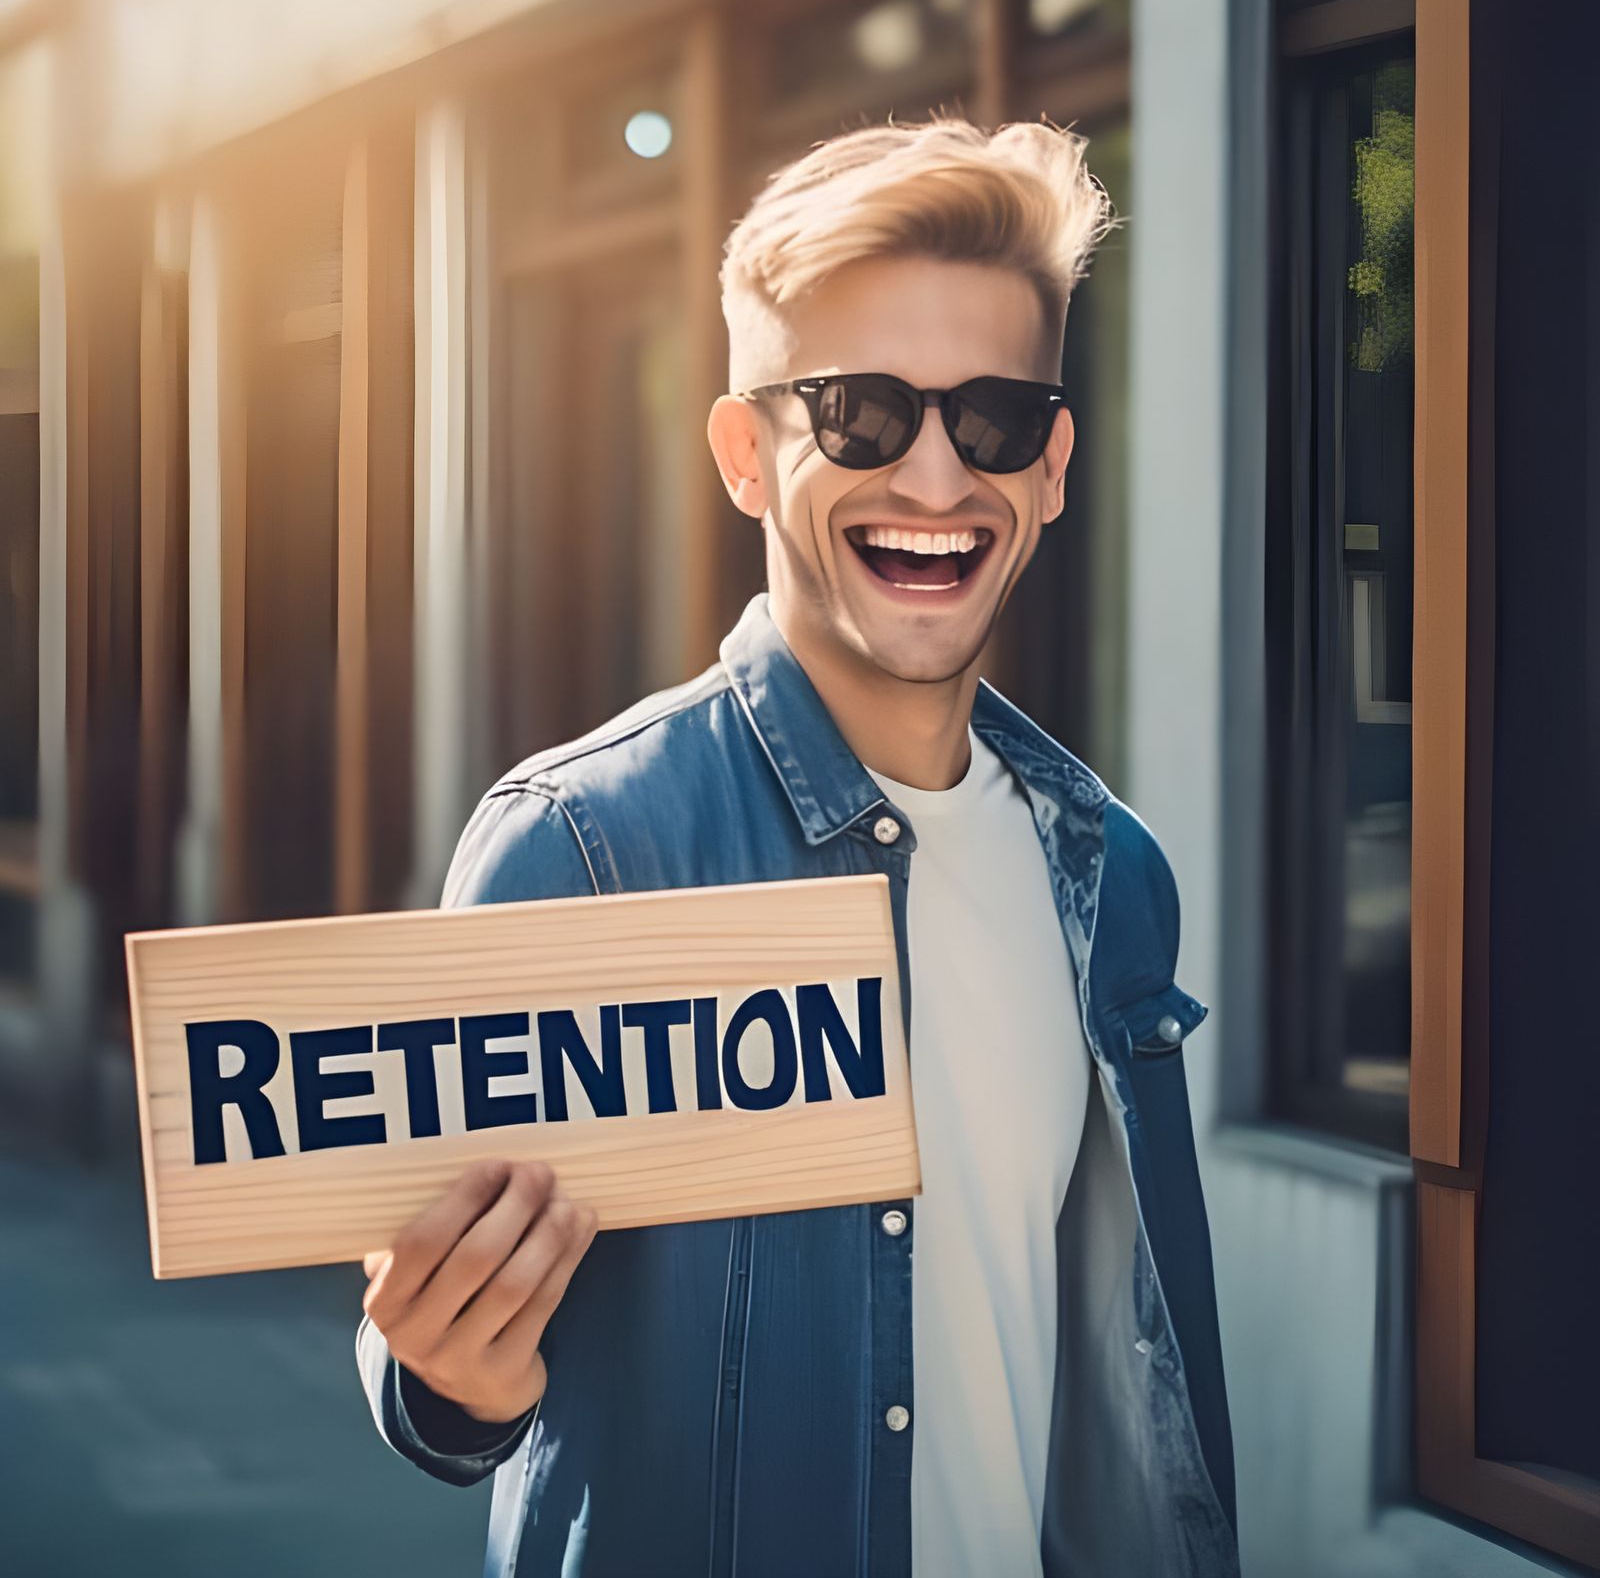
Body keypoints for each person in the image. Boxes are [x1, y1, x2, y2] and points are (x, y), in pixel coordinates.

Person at [357, 113, 1239, 1578]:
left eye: (996, 419)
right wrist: (455, 1381)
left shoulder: (1114, 872)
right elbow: (436, 1366)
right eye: (861, 415)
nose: (940, 481)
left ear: (1057, 464)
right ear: (745, 454)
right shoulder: (580, 850)